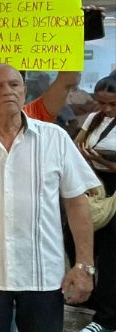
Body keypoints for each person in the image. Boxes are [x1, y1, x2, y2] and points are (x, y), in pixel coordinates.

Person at [0, 64, 100, 331]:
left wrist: (84, 264)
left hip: (43, 274)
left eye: (14, 85)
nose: (8, 91)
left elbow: (77, 202)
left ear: (24, 91)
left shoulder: (55, 139)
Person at [74, 76, 116, 332]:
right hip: (92, 184)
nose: (106, 109)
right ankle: (92, 297)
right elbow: (76, 146)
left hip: (112, 186)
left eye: (112, 104)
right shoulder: (94, 119)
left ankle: (106, 319)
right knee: (84, 245)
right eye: (101, 102)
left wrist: (105, 162)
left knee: (111, 255)